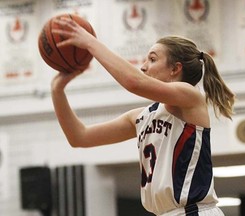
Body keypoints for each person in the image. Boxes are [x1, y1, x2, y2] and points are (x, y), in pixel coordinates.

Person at [51, 17, 234, 216]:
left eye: (152, 59)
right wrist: (57, 91)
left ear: (175, 68)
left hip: (193, 212)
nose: (143, 66)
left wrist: (90, 42)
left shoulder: (189, 97)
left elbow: (133, 82)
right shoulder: (142, 117)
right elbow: (80, 137)